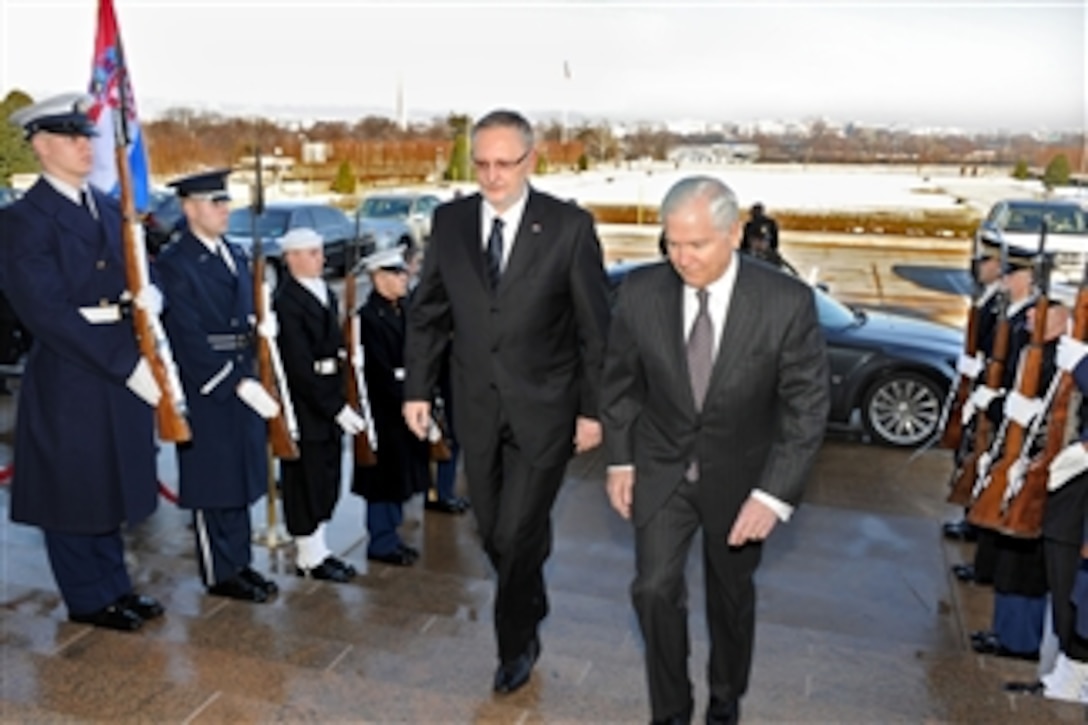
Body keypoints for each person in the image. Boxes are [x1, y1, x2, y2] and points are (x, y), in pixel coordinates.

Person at [601, 176, 830, 724]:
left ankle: (725, 698)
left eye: (696, 244)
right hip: (661, 467)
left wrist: (773, 495)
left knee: (730, 597)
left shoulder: (786, 302)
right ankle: (672, 711)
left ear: (732, 233)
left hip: (743, 477)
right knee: (653, 590)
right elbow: (619, 385)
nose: (682, 257)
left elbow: (807, 408)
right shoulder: (639, 293)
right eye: (672, 243)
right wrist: (620, 459)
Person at [402, 109, 610, 694]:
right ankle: (531, 592)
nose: (492, 177)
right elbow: (428, 314)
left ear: (530, 161)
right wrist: (417, 389)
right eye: (483, 164)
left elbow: (597, 328)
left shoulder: (569, 228)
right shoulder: (449, 223)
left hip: (547, 409)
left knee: (517, 532)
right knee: (494, 531)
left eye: (505, 164)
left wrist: (594, 411)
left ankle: (515, 643)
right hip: (475, 407)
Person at [1, 93, 164, 630]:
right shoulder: (25, 219)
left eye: (86, 136)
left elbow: (132, 276)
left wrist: (149, 301)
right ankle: (88, 599)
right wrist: (125, 363)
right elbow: (45, 312)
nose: (85, 146)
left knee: (107, 484)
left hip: (117, 359)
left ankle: (114, 585)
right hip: (74, 370)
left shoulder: (105, 206)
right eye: (71, 138)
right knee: (74, 492)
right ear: (42, 147)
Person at [154, 168, 281, 603]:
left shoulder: (234, 252)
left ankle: (240, 562)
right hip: (210, 385)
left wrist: (261, 325)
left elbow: (242, 312)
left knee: (240, 477)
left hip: (243, 372)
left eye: (226, 201)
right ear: (189, 208)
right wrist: (233, 381)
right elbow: (184, 333)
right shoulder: (175, 263)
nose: (225, 209)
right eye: (215, 202)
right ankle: (219, 571)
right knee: (213, 481)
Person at [273, 227, 363, 582]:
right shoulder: (287, 300)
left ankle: (320, 549)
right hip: (307, 404)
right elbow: (298, 365)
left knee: (326, 476)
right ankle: (308, 556)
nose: (320, 258)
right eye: (311, 253)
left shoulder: (324, 290)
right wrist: (335, 407)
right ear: (291, 258)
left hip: (329, 392)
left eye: (319, 251)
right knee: (306, 480)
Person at [352, 246, 430, 566]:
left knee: (400, 476)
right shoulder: (370, 318)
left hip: (405, 403)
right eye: (397, 273)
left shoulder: (402, 309)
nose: (404, 278)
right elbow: (380, 370)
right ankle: (381, 540)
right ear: (379, 278)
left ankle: (392, 535)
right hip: (385, 410)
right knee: (383, 479)